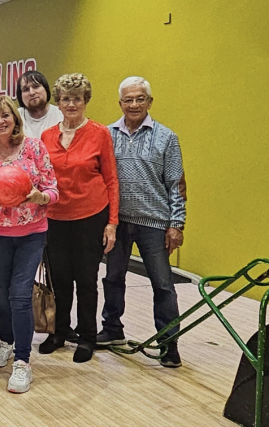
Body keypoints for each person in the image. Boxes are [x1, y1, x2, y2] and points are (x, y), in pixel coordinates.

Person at [0, 96, 58, 393]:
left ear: (15, 120)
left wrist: (38, 197)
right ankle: (6, 341)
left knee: (19, 295)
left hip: (32, 232)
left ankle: (22, 361)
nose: (0, 121)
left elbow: (53, 190)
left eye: (6, 115)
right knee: (3, 296)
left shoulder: (34, 148)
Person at [99, 77, 186, 368]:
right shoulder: (107, 135)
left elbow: (176, 185)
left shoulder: (167, 137)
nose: (134, 104)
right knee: (113, 278)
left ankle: (168, 343)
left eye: (139, 99)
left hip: (154, 223)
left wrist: (177, 223)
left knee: (163, 285)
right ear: (120, 103)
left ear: (149, 102)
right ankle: (112, 328)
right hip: (118, 221)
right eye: (128, 100)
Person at [39, 73, 119, 363]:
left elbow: (111, 180)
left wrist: (112, 223)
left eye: (77, 98)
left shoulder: (100, 133)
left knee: (86, 280)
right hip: (56, 218)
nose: (71, 104)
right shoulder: (48, 136)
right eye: (65, 99)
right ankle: (59, 332)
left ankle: (87, 337)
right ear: (58, 102)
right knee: (59, 280)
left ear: (85, 101)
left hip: (90, 216)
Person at [16, 70, 62, 139]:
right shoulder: (16, 117)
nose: (32, 93)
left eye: (36, 86)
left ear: (46, 89)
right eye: (26, 89)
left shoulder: (61, 114)